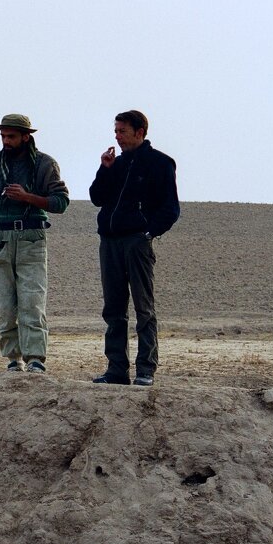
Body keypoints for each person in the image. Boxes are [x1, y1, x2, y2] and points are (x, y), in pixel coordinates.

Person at [0, 114, 70, 373]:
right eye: (3, 136)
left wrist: (28, 197)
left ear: (26, 137)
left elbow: (61, 202)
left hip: (31, 236)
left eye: (12, 136)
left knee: (32, 301)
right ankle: (12, 359)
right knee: (5, 305)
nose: (6, 141)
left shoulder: (44, 164)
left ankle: (36, 359)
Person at [88, 110, 180, 386]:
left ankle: (145, 370)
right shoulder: (115, 164)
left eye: (122, 131)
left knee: (143, 307)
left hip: (137, 243)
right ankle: (116, 370)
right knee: (114, 309)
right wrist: (104, 169)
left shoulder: (160, 163)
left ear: (139, 132)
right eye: (115, 131)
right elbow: (97, 198)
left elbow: (171, 209)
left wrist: (148, 232)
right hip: (110, 242)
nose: (117, 136)